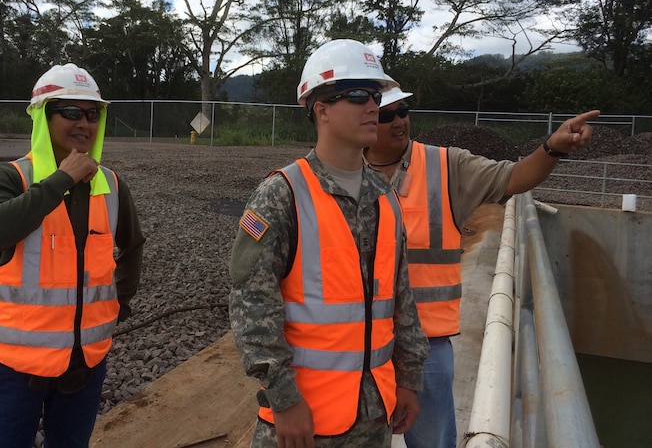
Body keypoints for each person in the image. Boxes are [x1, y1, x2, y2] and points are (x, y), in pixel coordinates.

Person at [364, 84, 600, 448]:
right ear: (363, 118)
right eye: (386, 115)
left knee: (432, 441)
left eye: (404, 111)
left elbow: (515, 177)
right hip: (360, 343)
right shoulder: (342, 174)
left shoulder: (446, 165)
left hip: (428, 344)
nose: (399, 122)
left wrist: (553, 148)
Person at [228, 39, 430, 448]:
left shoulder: (384, 196)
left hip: (374, 413)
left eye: (375, 95)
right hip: (303, 421)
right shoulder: (282, 193)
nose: (373, 106)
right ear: (320, 109)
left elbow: (401, 297)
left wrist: (408, 378)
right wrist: (283, 400)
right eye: (357, 95)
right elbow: (252, 303)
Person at [0, 63, 146, 448]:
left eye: (92, 113)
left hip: (84, 367)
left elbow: (133, 246)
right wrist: (61, 179)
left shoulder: (112, 186)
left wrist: (118, 306)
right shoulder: (11, 178)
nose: (84, 123)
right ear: (43, 115)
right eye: (71, 112)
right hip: (12, 370)